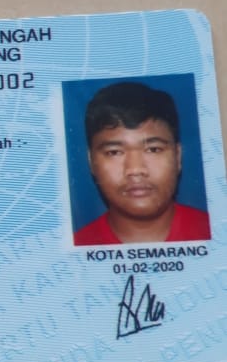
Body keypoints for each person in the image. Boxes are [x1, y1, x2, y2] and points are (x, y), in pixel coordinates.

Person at [73, 80, 210, 245]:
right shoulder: (72, 250)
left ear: (177, 156)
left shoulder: (217, 233)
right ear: (92, 162)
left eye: (153, 149)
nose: (135, 169)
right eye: (114, 152)